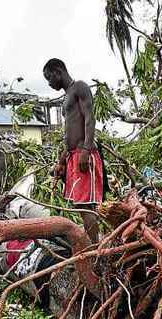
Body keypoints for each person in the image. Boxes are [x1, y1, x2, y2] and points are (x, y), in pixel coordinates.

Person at [43, 58, 103, 243]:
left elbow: (90, 119)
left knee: (85, 205)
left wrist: (86, 150)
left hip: (83, 154)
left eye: (49, 78)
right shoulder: (67, 95)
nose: (49, 83)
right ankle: (95, 244)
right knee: (81, 206)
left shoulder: (80, 87)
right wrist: (62, 161)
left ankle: (96, 249)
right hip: (73, 156)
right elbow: (69, 132)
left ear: (58, 71)